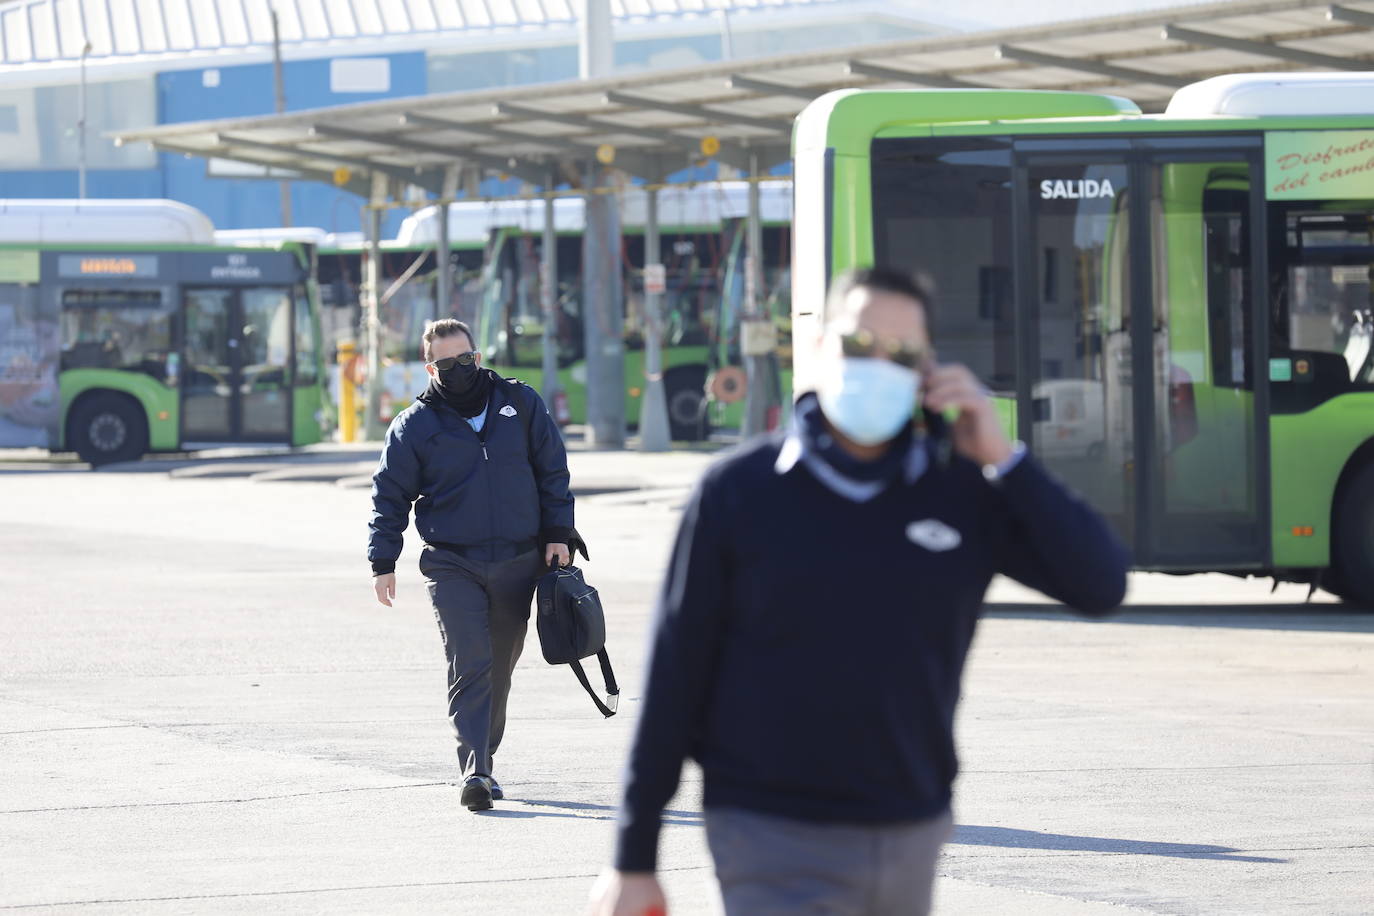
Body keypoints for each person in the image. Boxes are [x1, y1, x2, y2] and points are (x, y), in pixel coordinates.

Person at [588, 269, 1129, 915]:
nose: (878, 363)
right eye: (859, 343)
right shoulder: (739, 492)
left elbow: (1100, 584)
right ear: (820, 348)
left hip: (910, 831)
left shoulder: (960, 494)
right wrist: (634, 856)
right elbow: (677, 670)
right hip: (770, 830)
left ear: (929, 371)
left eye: (901, 354)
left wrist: (1005, 457)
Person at [369, 318, 584, 812]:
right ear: (430, 368)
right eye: (447, 364)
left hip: (518, 557)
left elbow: (552, 470)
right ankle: (476, 771)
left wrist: (558, 533)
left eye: (465, 360)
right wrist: (383, 559)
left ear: (478, 356)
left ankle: (484, 753)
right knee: (470, 660)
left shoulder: (521, 403)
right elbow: (389, 495)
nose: (459, 370)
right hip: (452, 562)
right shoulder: (414, 425)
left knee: (502, 664)